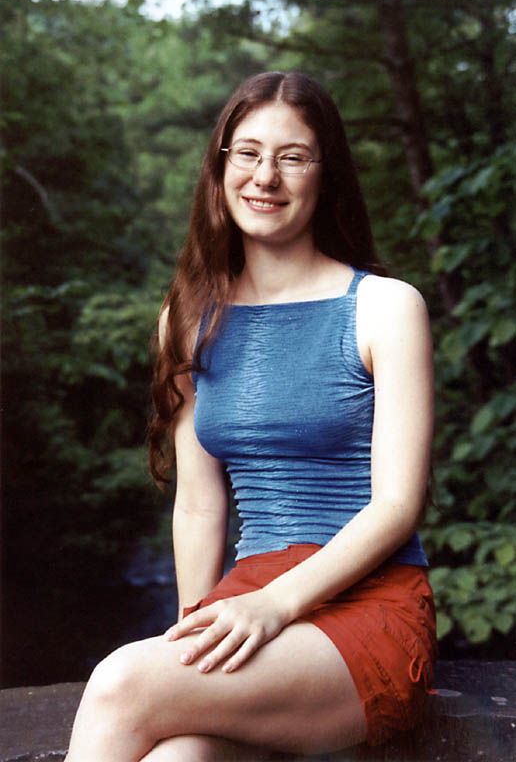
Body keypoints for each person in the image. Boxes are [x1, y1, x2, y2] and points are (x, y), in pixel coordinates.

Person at [65, 71, 437, 762]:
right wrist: (190, 638)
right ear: (220, 167)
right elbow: (199, 507)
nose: (266, 175)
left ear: (327, 175)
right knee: (179, 756)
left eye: (293, 156)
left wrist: (273, 606)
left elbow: (396, 505)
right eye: (248, 152)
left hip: (368, 607)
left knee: (119, 683)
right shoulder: (186, 320)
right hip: (247, 599)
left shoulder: (386, 307)